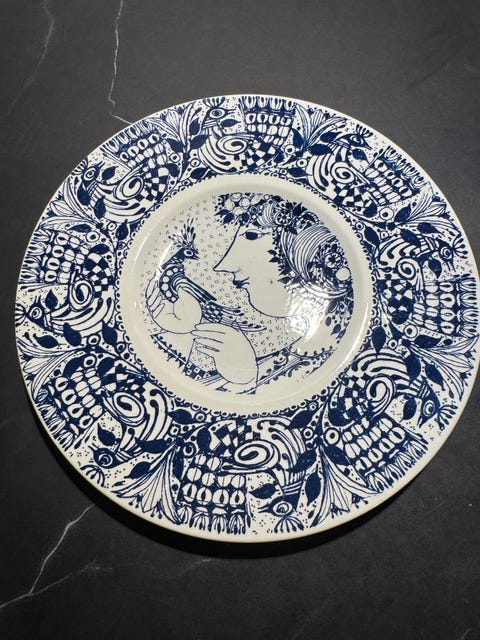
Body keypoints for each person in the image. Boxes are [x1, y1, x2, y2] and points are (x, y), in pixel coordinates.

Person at [146, 193, 353, 393]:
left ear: (306, 248)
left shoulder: (322, 368)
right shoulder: (313, 361)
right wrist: (177, 333)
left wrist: (243, 378)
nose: (222, 266)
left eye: (251, 236)